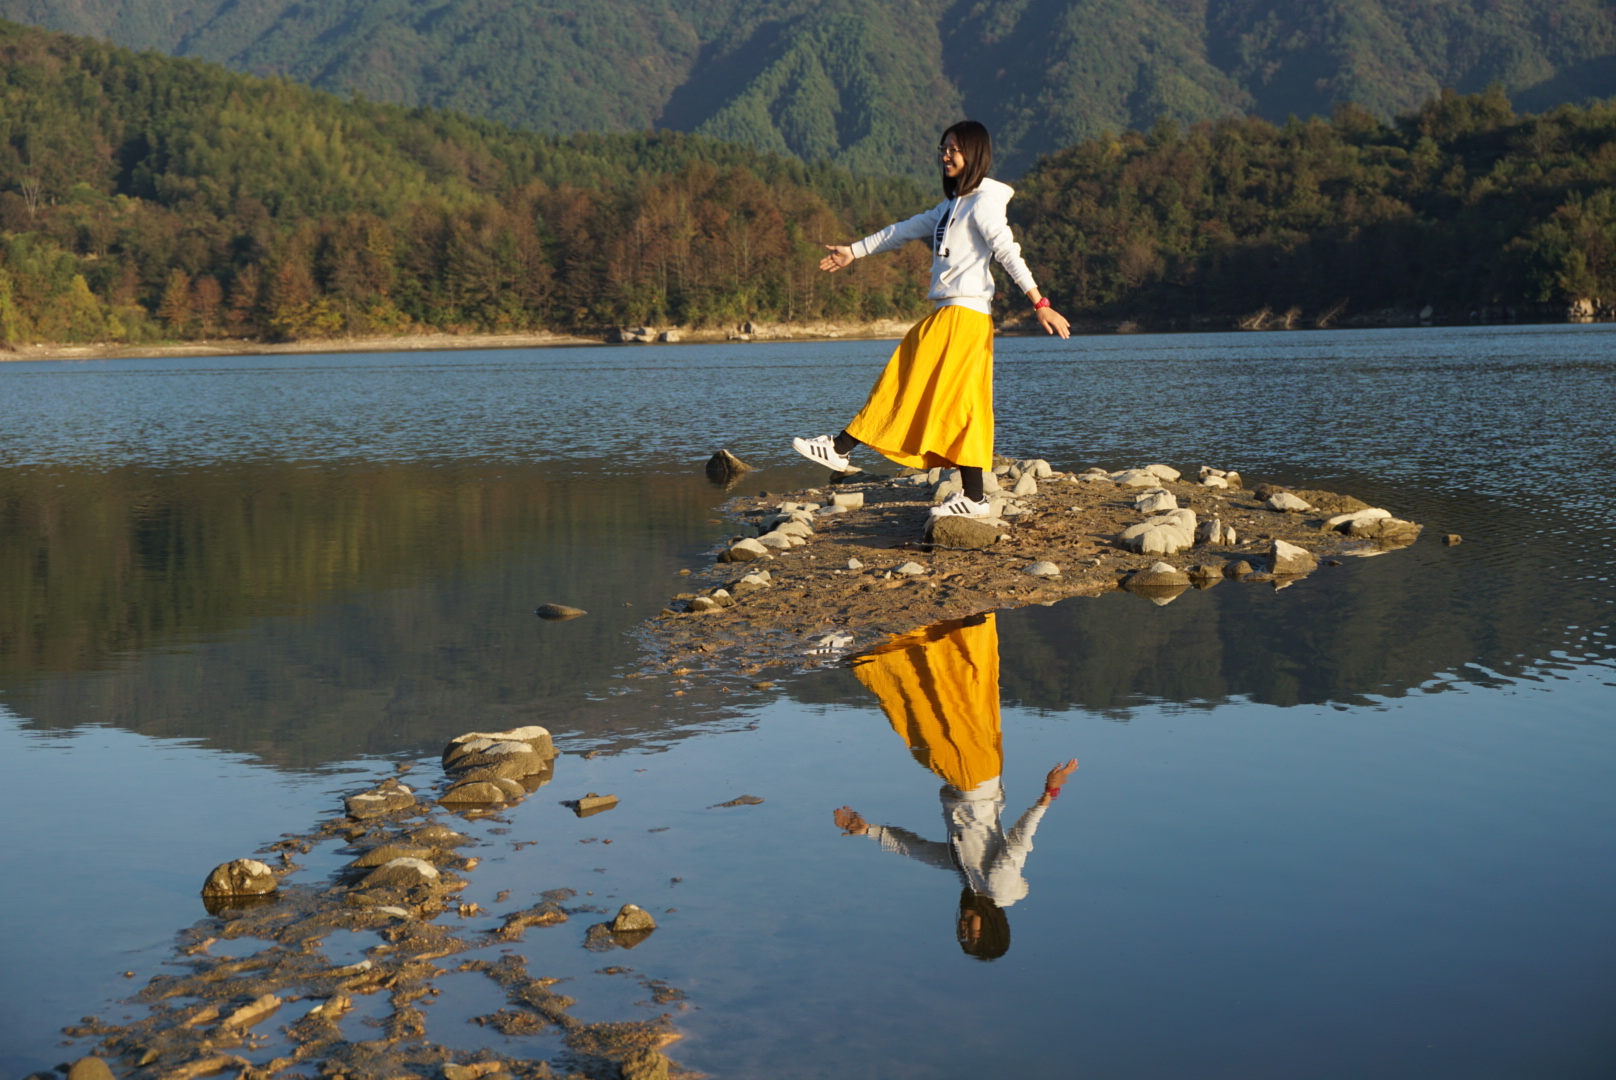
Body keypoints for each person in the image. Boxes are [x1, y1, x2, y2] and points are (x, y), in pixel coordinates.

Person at [792, 120, 1071, 518]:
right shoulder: (951, 206)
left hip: (964, 315)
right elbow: (901, 231)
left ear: (973, 154)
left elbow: (1008, 251)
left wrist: (1039, 302)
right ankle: (972, 496)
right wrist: (854, 251)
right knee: (953, 399)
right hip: (951, 314)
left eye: (954, 149)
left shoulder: (984, 204)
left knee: (914, 381)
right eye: (943, 148)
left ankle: (841, 448)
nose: (945, 155)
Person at [834, 613, 1078, 959]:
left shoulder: (972, 879)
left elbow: (918, 850)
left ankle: (906, 641)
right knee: (935, 711)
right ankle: (890, 648)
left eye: (963, 935)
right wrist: (1048, 794)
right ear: (992, 927)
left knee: (935, 714)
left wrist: (870, 830)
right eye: (972, 934)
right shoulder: (998, 889)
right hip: (973, 777)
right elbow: (1019, 844)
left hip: (969, 780)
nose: (964, 928)